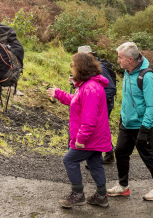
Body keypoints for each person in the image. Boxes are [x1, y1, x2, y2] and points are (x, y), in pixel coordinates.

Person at [47, 53, 113, 208]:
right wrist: (58, 93)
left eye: (73, 64)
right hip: (96, 137)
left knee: (69, 160)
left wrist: (80, 140)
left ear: (81, 67)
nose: (72, 67)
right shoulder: (88, 85)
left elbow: (89, 119)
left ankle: (78, 195)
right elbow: (75, 102)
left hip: (89, 138)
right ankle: (101, 196)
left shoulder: (90, 88)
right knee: (95, 163)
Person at [107, 41, 153, 200]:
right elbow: (127, 99)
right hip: (127, 124)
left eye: (120, 58)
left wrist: (144, 129)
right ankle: (123, 186)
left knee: (148, 156)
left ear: (130, 59)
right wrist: (122, 118)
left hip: (143, 126)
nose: (118, 60)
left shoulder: (146, 77)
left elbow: (152, 106)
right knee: (120, 152)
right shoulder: (127, 72)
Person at [76, 45, 117, 164]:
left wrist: (94, 99)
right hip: (95, 105)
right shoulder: (87, 68)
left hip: (103, 105)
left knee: (97, 130)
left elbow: (111, 89)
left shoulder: (100, 68)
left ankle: (95, 160)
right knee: (100, 130)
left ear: (90, 55)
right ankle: (108, 154)